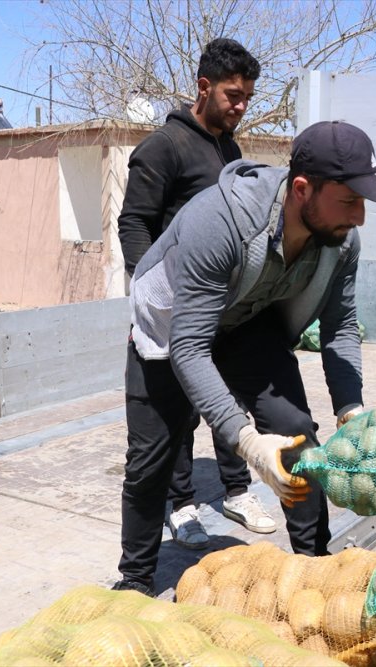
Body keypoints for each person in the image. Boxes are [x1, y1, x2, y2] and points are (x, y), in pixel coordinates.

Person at [112, 120, 376, 595]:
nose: (360, 216)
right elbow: (189, 345)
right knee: (152, 459)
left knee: (297, 437)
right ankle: (136, 580)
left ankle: (314, 566)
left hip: (247, 317)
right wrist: (246, 442)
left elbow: (341, 325)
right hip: (169, 326)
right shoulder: (221, 220)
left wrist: (351, 411)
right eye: (349, 200)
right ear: (303, 189)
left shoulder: (341, 240)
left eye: (364, 202)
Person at [116, 38, 276, 550]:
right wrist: (151, 301)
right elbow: (134, 222)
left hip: (218, 308)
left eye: (248, 95)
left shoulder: (229, 148)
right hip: (172, 308)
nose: (241, 105)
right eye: (233, 94)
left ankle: (237, 490)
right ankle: (180, 505)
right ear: (203, 87)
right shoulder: (163, 147)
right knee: (175, 416)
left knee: (225, 399)